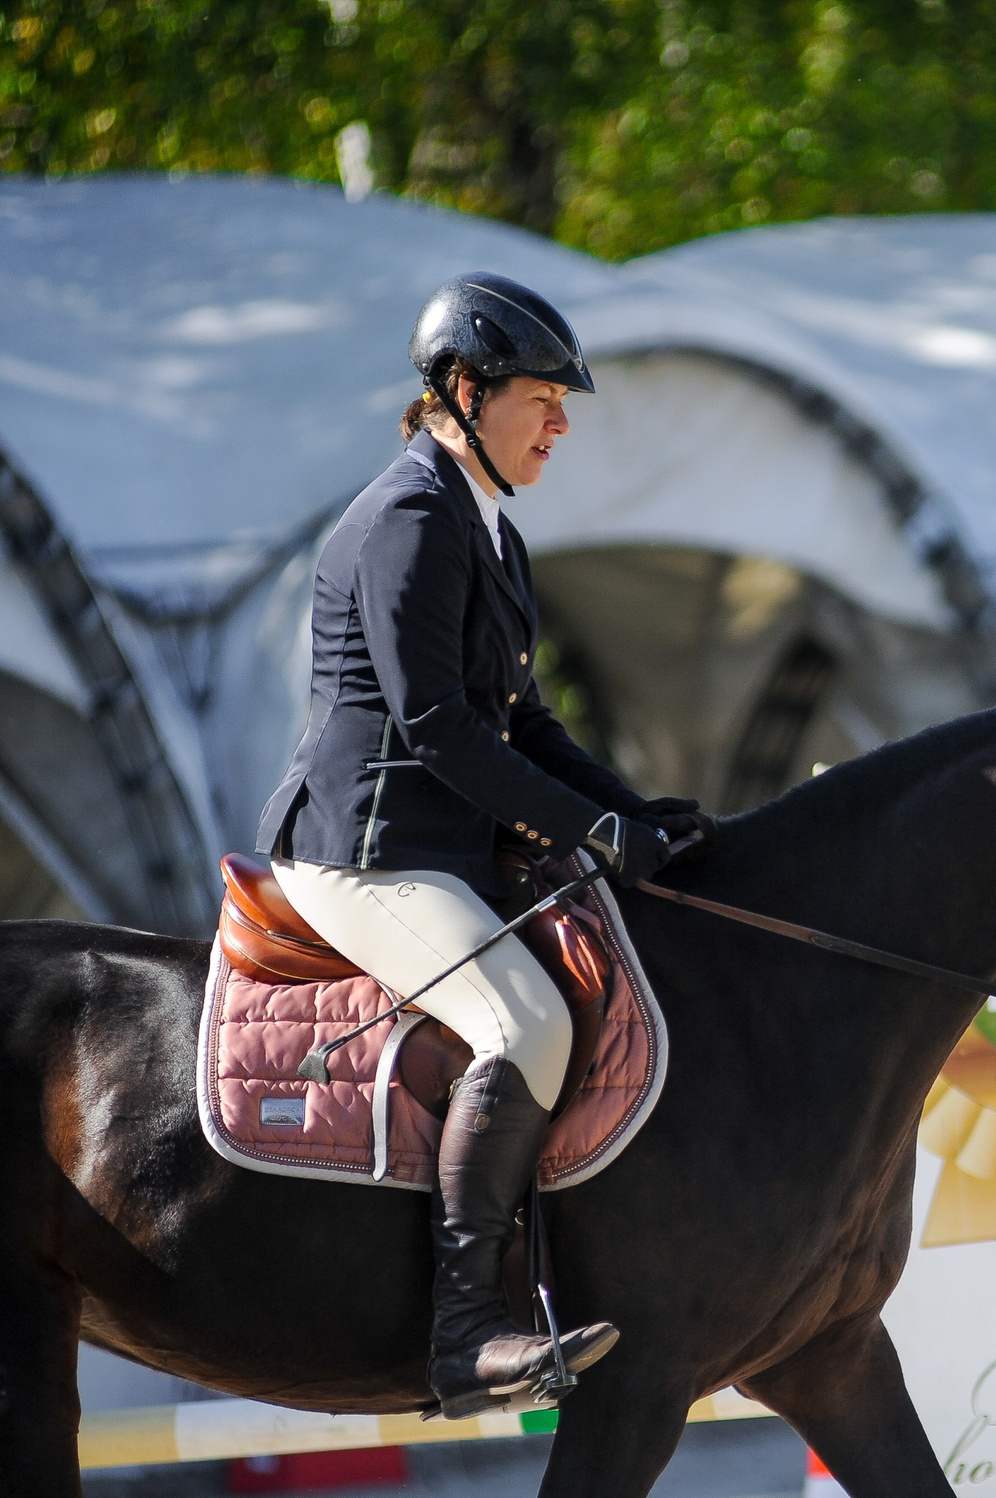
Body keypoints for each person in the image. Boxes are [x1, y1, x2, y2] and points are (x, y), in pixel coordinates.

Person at [257, 273, 712, 1418]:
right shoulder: (410, 520)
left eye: (562, 405)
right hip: (368, 852)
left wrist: (634, 813)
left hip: (441, 849)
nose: (560, 425)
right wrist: (590, 830)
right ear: (463, 390)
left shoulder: (488, 527)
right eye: (542, 400)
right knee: (525, 1024)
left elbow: (527, 723)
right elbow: (438, 727)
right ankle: (464, 1331)